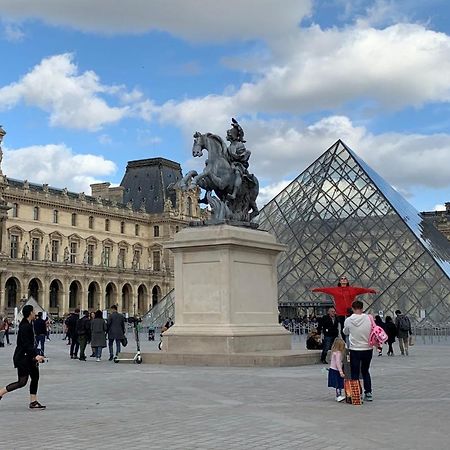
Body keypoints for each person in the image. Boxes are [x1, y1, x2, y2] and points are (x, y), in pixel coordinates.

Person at [0, 304, 46, 409]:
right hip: (23, 358)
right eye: (33, 311)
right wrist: (36, 356)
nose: (35, 313)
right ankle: (1, 392)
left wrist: (36, 355)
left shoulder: (29, 324)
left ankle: (33, 402)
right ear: (30, 313)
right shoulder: (25, 326)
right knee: (22, 382)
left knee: (35, 377)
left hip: (27, 357)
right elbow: (26, 345)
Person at [312, 276, 376, 339]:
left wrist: (370, 290)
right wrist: (316, 290)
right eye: (342, 279)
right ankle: (345, 341)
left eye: (345, 278)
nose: (343, 280)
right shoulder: (335, 290)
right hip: (340, 312)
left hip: (350, 311)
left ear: (347, 281)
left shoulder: (352, 289)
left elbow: (362, 290)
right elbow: (325, 290)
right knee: (343, 327)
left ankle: (351, 339)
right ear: (339, 281)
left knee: (352, 326)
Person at [343, 300, 374, 402]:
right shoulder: (369, 318)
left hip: (355, 349)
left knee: (355, 372)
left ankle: (357, 393)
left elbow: (345, 332)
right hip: (367, 348)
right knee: (365, 371)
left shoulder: (348, 320)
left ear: (352, 308)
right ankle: (368, 393)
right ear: (362, 308)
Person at [327, 337, 346, 402]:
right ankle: (338, 396)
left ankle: (338, 395)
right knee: (339, 384)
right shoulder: (338, 353)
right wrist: (341, 371)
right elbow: (338, 363)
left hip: (333, 369)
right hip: (336, 370)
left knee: (338, 384)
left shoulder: (334, 352)